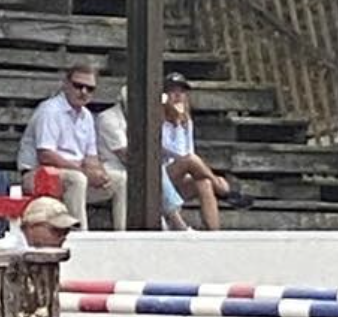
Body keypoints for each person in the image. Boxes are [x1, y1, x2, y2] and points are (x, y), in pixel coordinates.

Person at [16, 62, 127, 232]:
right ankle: (80, 235)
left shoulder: (87, 117)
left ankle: (123, 235)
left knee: (120, 179)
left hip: (69, 174)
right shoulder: (50, 110)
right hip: (38, 175)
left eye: (89, 89)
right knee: (77, 179)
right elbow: (46, 155)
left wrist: (99, 173)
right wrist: (84, 171)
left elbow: (91, 157)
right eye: (78, 86)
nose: (83, 92)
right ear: (66, 85)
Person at [94, 88, 188, 232]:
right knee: (152, 170)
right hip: (113, 165)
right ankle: (176, 220)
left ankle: (170, 221)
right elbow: (124, 155)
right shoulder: (108, 119)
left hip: (136, 165)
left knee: (155, 170)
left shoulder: (141, 118)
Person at [160, 74, 240, 232]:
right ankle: (222, 188)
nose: (177, 96)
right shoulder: (158, 120)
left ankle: (214, 232)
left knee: (204, 183)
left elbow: (188, 150)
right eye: (173, 92)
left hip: (181, 177)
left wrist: (180, 122)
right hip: (162, 175)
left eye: (181, 92)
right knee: (189, 161)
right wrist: (175, 123)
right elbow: (170, 151)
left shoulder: (187, 122)